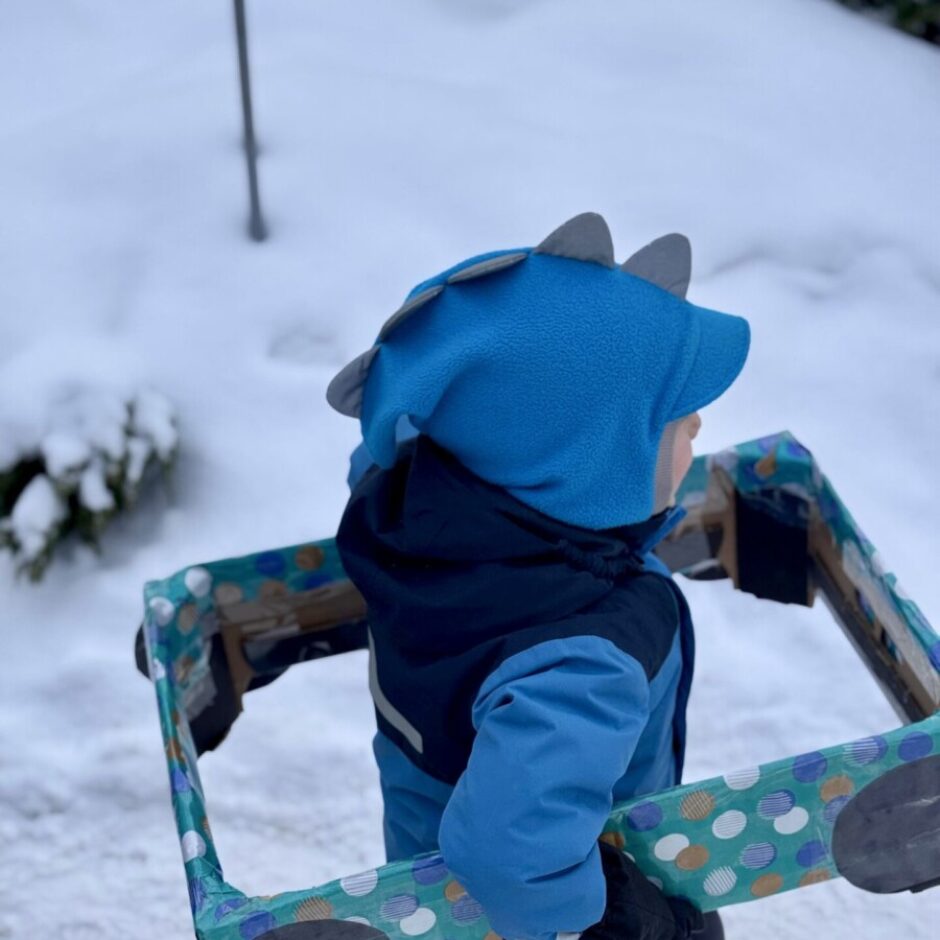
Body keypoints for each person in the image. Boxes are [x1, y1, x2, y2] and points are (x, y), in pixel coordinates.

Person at [327, 213, 751, 940]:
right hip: (545, 915)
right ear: (586, 465)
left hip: (430, 886)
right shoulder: (582, 660)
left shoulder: (416, 515)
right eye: (678, 423)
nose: (699, 432)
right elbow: (508, 855)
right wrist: (632, 918)